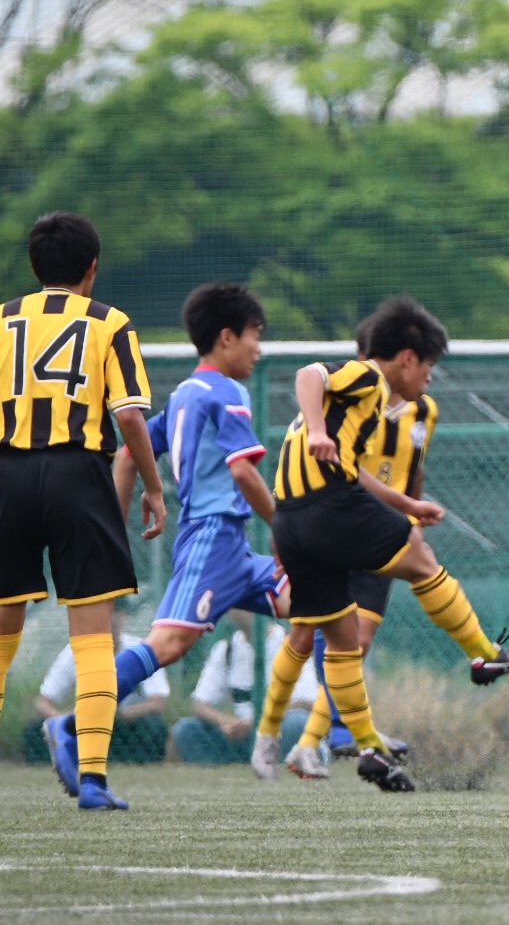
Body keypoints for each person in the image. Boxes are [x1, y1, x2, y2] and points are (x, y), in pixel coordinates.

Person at [253, 295, 509, 792]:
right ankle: (484, 653)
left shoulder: (395, 409)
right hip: (331, 508)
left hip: (292, 517)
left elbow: (353, 468)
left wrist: (408, 504)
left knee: (340, 644)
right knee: (422, 561)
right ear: (407, 357)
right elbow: (308, 375)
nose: (429, 377)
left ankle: (359, 748)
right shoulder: (370, 378)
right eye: (429, 365)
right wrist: (317, 430)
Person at [51, 281, 291, 792]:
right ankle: (71, 724)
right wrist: (287, 528)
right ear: (227, 337)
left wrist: (115, 526)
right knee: (168, 644)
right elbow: (246, 475)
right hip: (212, 539)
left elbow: (126, 454)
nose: (259, 347)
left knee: (322, 602)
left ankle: (329, 736)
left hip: (230, 547)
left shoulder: (185, 393)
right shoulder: (227, 391)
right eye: (255, 335)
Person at [0, 212, 166, 812]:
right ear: (92, 269)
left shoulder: (2, 320)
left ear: (34, 266)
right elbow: (127, 417)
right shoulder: (110, 323)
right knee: (94, 639)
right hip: (79, 477)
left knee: (1, 638)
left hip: (8, 476)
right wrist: (151, 485)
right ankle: (93, 780)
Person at [23, 597, 168, 766]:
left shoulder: (141, 651)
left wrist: (124, 713)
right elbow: (42, 702)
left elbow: (157, 703)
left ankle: (132, 763)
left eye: (113, 612)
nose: (107, 618)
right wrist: (62, 718)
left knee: (153, 727)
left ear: (123, 616)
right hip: (85, 722)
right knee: (35, 730)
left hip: (124, 722)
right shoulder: (76, 651)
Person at [171, 610, 318, 764]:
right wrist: (226, 722)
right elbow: (198, 705)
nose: (238, 609)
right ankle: (224, 776)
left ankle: (287, 765)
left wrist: (257, 721)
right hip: (242, 736)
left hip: (277, 731)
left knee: (295, 722)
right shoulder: (226, 650)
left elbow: (305, 701)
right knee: (186, 729)